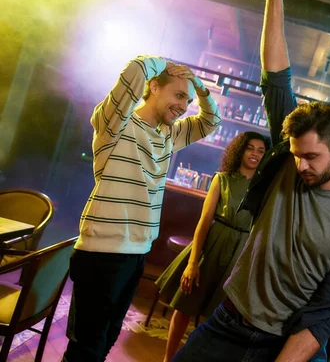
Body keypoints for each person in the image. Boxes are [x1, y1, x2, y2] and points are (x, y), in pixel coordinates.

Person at [172, 0, 330, 361]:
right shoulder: (289, 162)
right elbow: (276, 78)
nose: (301, 164)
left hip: (286, 344)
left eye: (312, 157)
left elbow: (327, 313)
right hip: (227, 321)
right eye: (296, 154)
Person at [63, 57, 221, 362]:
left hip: (135, 253)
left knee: (106, 340)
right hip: (101, 252)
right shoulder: (116, 123)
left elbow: (210, 122)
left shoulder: (168, 134)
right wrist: (166, 64)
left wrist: (199, 86)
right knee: (86, 347)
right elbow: (135, 69)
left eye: (187, 100)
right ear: (153, 87)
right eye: (178, 95)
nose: (184, 105)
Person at [156, 131, 271, 362]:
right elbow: (204, 221)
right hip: (213, 245)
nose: (255, 154)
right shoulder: (222, 178)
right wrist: (192, 263)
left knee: (219, 314)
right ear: (240, 150)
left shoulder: (266, 187)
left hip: (242, 252)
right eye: (250, 148)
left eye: (261, 151)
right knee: (185, 305)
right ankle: (168, 359)